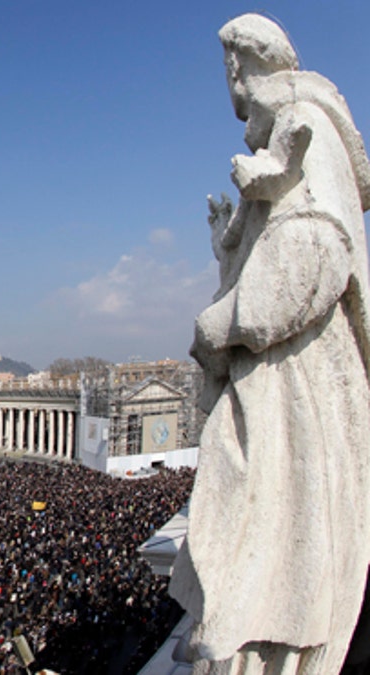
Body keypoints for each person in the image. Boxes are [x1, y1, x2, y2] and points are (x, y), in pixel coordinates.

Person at [170, 13, 370, 674]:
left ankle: (252, 649)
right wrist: (229, 249)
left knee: (262, 528)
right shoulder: (283, 135)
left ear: (238, 66)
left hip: (293, 384)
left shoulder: (304, 124)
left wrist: (223, 323)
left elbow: (316, 252)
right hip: (276, 376)